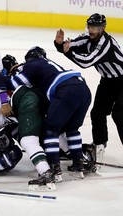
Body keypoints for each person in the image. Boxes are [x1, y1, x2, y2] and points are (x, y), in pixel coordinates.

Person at [7, 46, 92, 181]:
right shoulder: (49, 64)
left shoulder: (32, 64)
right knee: (72, 129)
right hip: (84, 89)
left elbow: (14, 83)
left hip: (66, 90)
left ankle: (53, 166)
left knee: (51, 129)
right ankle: (79, 162)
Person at [54, 13, 123, 167]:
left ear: (102, 29)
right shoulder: (88, 38)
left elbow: (87, 61)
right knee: (97, 113)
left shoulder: (106, 44)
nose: (91, 30)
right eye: (90, 26)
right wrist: (60, 44)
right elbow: (71, 45)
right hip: (108, 81)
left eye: (95, 27)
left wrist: (68, 52)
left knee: (119, 114)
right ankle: (99, 146)